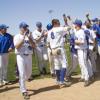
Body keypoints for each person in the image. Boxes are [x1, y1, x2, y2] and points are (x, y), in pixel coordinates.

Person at [14, 22, 35, 99]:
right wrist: (23, 38)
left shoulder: (29, 36)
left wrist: (29, 38)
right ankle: (24, 91)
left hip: (29, 56)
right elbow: (16, 46)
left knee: (29, 74)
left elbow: (34, 45)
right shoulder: (17, 36)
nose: (26, 28)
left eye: (26, 27)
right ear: (20, 28)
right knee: (22, 73)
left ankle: (21, 82)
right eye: (24, 27)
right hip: (20, 56)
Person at [47, 19, 71, 88]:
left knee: (57, 65)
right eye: (58, 22)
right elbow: (68, 28)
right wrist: (67, 24)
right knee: (64, 64)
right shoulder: (58, 29)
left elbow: (48, 42)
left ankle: (58, 80)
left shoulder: (49, 31)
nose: (59, 23)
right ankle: (62, 81)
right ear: (55, 23)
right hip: (59, 48)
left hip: (53, 50)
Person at [74, 19, 90, 87]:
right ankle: (83, 76)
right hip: (79, 50)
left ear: (77, 25)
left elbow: (82, 42)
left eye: (75, 24)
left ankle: (87, 79)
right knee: (81, 64)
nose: (74, 25)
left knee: (84, 64)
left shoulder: (81, 32)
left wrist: (75, 41)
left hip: (83, 50)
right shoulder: (77, 31)